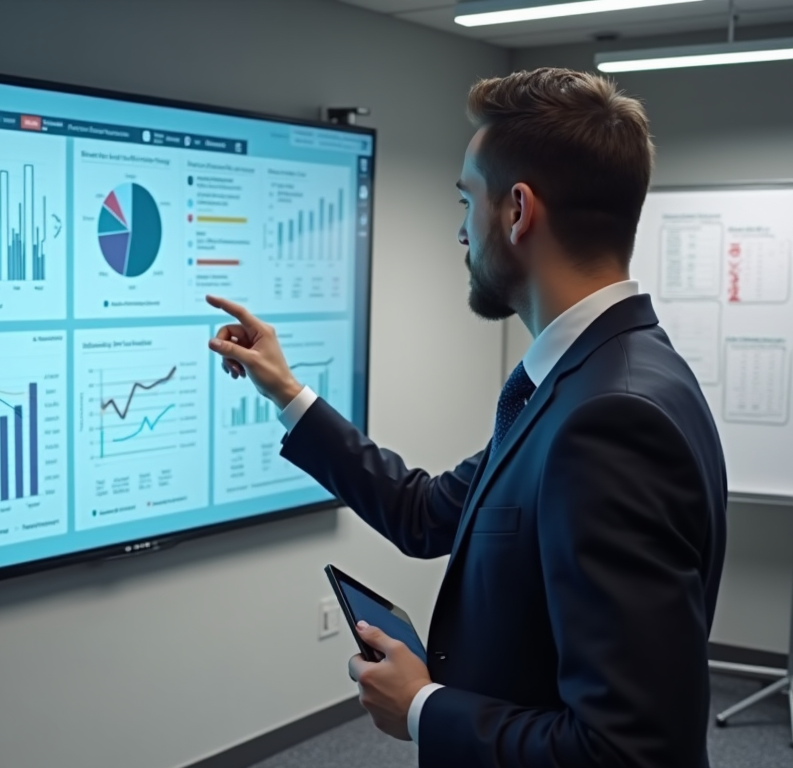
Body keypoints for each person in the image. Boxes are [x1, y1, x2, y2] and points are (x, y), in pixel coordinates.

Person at [206, 68, 727, 768]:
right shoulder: (596, 378)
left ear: (517, 211)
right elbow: (429, 512)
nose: (459, 231)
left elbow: (630, 752)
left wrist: (424, 708)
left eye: (464, 200)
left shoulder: (609, 418)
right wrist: (287, 392)